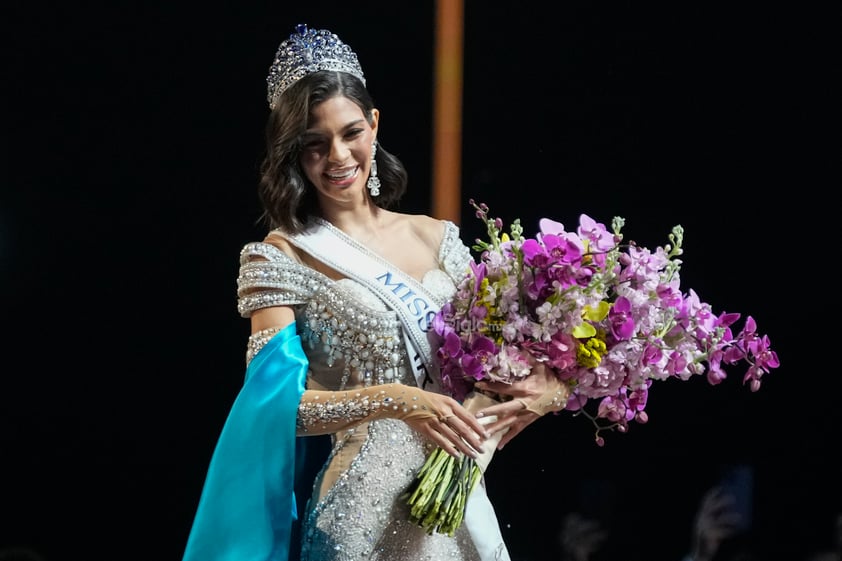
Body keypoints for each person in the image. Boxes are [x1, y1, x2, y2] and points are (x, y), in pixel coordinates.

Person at [181, 23, 566, 561]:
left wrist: (548, 392)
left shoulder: (439, 239)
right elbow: (277, 410)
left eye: (350, 132)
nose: (337, 156)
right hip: (358, 516)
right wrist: (397, 401)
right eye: (314, 144)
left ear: (375, 125)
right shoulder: (279, 255)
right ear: (293, 152)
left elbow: (496, 369)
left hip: (458, 505)